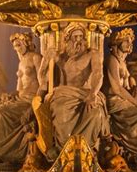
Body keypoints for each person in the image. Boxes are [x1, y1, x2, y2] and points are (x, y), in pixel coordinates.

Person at [41, 22, 109, 151]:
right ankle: (65, 150)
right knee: (60, 110)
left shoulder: (92, 54)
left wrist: (93, 94)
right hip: (63, 93)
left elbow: (98, 74)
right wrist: (46, 58)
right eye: (75, 37)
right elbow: (43, 75)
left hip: (86, 92)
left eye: (81, 37)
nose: (78, 40)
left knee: (95, 112)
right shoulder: (61, 57)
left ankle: (85, 150)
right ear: (67, 39)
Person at [0, 33, 42, 164]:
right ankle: (4, 152)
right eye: (15, 46)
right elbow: (19, 88)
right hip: (21, 99)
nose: (16, 49)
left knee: (2, 114)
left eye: (19, 45)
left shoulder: (36, 58)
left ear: (27, 43)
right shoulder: (21, 62)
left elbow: (44, 83)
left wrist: (35, 104)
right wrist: (10, 95)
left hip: (31, 99)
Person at [102, 28, 137, 159]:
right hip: (113, 100)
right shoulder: (112, 60)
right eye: (126, 41)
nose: (130, 43)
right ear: (117, 42)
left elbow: (127, 86)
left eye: (131, 41)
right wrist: (136, 103)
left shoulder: (123, 63)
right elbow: (116, 88)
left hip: (121, 100)